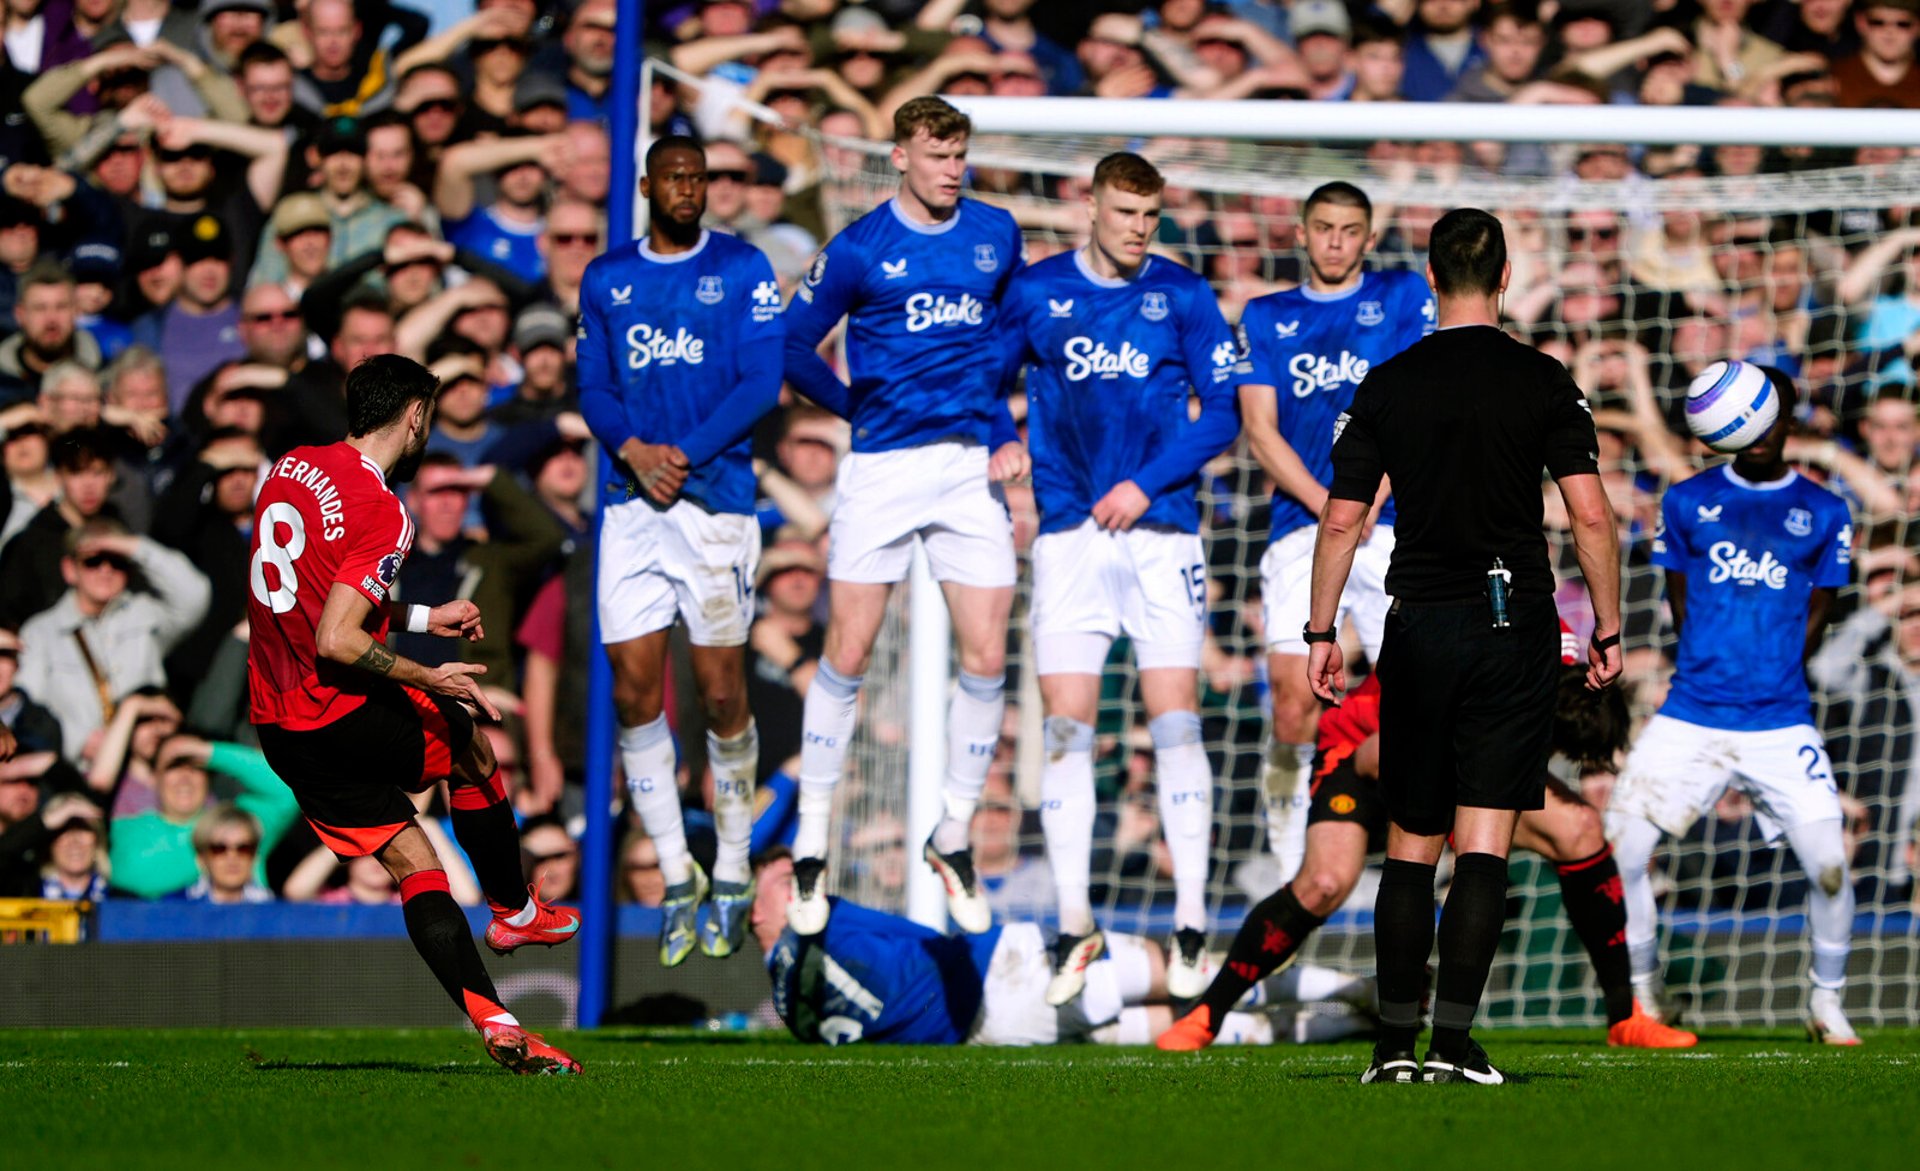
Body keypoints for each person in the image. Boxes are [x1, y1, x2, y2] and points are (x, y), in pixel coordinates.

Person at [1306, 208, 1621, 1085]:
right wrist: (1608, 625)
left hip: (1420, 622)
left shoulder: (1388, 380)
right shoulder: (1545, 378)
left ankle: (1392, 1048)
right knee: (1482, 843)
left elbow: (1342, 519)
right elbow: (1590, 514)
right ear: (1507, 274)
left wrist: (1322, 630)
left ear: (1432, 280)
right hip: (1513, 620)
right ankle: (1454, 1045)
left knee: (1411, 841)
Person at [245, 353, 579, 1075]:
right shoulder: (383, 507)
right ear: (416, 415)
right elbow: (338, 637)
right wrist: (432, 673)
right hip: (334, 704)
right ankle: (516, 912)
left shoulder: (289, 467)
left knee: (414, 861)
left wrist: (426, 614)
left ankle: (497, 1022)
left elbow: (316, 594)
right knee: (470, 745)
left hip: (279, 721)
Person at [1158, 623, 1696, 1051]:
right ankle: (1208, 1012)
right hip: (1365, 752)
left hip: (1467, 760)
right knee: (1323, 882)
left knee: (1579, 828)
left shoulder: (1546, 644)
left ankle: (1626, 1014)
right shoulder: (1451, 623)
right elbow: (1379, 752)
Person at [994, 151, 1245, 1001]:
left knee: (1174, 720)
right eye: (1126, 212)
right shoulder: (1033, 291)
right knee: (1066, 729)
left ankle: (1189, 921)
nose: (1139, 229)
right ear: (1089, 206)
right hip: (1067, 535)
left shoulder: (1181, 293)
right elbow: (984, 382)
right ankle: (1073, 922)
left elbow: (1227, 412)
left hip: (1162, 534)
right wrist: (1001, 435)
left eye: (1151, 215)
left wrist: (1147, 481)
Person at [779, 96, 1029, 937]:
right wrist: (853, 405)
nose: (952, 168)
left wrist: (1002, 429)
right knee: (846, 649)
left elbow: (999, 344)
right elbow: (789, 342)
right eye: (936, 154)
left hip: (966, 468)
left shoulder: (995, 232)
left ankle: (953, 834)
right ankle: (811, 838)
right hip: (883, 467)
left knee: (989, 652)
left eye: (960, 153)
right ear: (899, 157)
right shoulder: (858, 249)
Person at [576, 135, 785, 967]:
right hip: (633, 507)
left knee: (722, 689)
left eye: (700, 178)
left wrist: (681, 453)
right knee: (633, 688)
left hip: (715, 505)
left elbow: (761, 383)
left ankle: (732, 864)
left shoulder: (743, 269)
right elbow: (594, 387)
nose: (690, 189)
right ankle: (674, 871)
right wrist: (632, 448)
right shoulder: (607, 277)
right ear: (648, 186)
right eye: (677, 177)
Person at [1606, 368, 1862, 1047]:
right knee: (1624, 847)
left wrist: (1768, 667)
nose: (1759, 430)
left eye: (1770, 415)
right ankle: (1643, 996)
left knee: (1830, 862)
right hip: (1692, 711)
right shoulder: (1688, 500)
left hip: (1780, 719)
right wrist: (1714, 664)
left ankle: (1827, 1003)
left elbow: (1821, 608)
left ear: (1787, 421)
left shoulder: (1826, 510)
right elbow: (1679, 595)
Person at [1236, 181, 1435, 888]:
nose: (1336, 242)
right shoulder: (1265, 315)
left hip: (1389, 525)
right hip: (1303, 525)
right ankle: (1290, 853)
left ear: (1368, 236)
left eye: (1350, 230)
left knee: (1418, 691)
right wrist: (1331, 505)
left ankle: (1417, 840)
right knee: (1292, 699)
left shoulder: (1404, 299)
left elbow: (1420, 409)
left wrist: (1369, 498)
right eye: (1323, 227)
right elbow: (1259, 430)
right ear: (1300, 232)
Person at [751, 849, 1361, 1048]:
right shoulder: (822, 924)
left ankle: (1342, 1022)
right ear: (763, 909)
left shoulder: (790, 1003)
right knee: (1190, 981)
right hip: (1001, 966)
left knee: (1171, 1025)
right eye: (786, 884)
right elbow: (923, 946)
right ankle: (1361, 993)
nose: (806, 887)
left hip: (994, 1029)